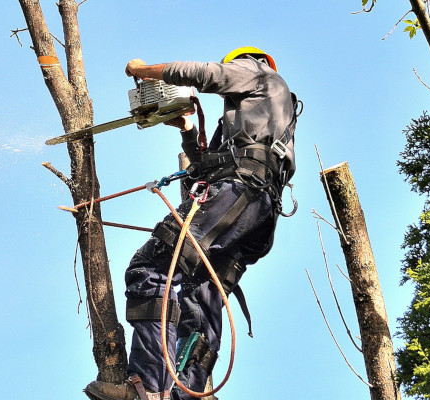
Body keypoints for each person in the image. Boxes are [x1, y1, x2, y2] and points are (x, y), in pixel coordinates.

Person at [84, 47, 298, 400]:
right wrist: (187, 130)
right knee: (201, 298)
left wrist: (147, 70)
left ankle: (149, 388)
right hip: (257, 212)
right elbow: (204, 169)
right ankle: (186, 395)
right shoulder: (257, 123)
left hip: (238, 194)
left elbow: (207, 74)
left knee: (152, 267)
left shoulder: (259, 73)